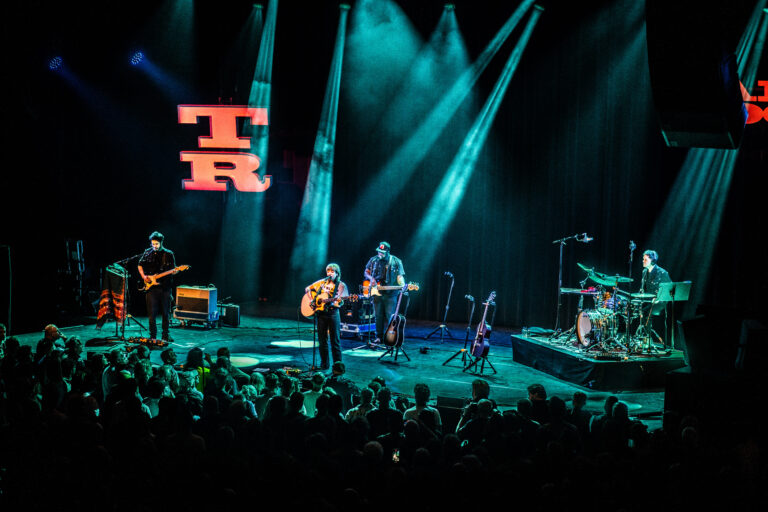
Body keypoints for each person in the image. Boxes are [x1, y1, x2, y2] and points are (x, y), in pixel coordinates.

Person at [305, 263, 348, 370]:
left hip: (333, 314)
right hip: (321, 314)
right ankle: (324, 364)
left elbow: (341, 302)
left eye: (332, 271)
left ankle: (338, 366)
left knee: (335, 341)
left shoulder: (341, 285)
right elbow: (307, 289)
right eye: (328, 271)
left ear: (337, 273)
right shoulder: (322, 282)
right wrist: (312, 300)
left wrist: (337, 302)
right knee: (322, 341)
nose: (329, 273)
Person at [137, 231, 177, 341]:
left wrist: (175, 272)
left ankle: (165, 335)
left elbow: (175, 269)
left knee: (165, 313)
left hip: (165, 288)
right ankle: (152, 336)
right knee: (152, 314)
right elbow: (140, 265)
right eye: (153, 244)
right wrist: (144, 276)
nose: (154, 246)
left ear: (161, 243)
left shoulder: (169, 254)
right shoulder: (147, 253)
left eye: (156, 244)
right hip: (152, 288)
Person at [363, 241, 406, 345]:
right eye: (379, 251)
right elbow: (366, 271)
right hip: (376, 292)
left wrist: (403, 284)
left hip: (390, 294)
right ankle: (378, 337)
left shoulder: (396, 261)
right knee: (378, 316)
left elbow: (400, 276)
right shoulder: (373, 260)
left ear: (387, 251)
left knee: (390, 317)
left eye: (382, 252)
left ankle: (390, 338)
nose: (380, 253)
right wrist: (371, 278)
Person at [639, 250, 672, 347]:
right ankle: (643, 337)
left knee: (645, 311)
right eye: (643, 259)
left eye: (645, 259)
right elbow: (643, 288)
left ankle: (648, 338)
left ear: (652, 261)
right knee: (637, 309)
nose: (643, 261)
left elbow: (669, 289)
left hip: (660, 302)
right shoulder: (644, 272)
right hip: (649, 300)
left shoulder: (662, 272)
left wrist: (658, 298)